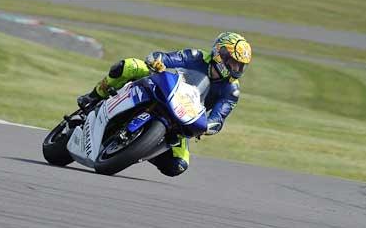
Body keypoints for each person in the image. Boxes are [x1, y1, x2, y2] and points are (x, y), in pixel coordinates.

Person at [76, 31, 252, 177]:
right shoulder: (196, 56)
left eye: (239, 66)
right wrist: (157, 61)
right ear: (219, 53)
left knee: (178, 165)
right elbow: (167, 58)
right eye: (232, 62)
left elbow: (219, 118)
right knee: (129, 66)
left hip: (184, 116)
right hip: (165, 89)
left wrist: (209, 127)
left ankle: (139, 148)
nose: (235, 68)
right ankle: (94, 96)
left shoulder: (232, 91)